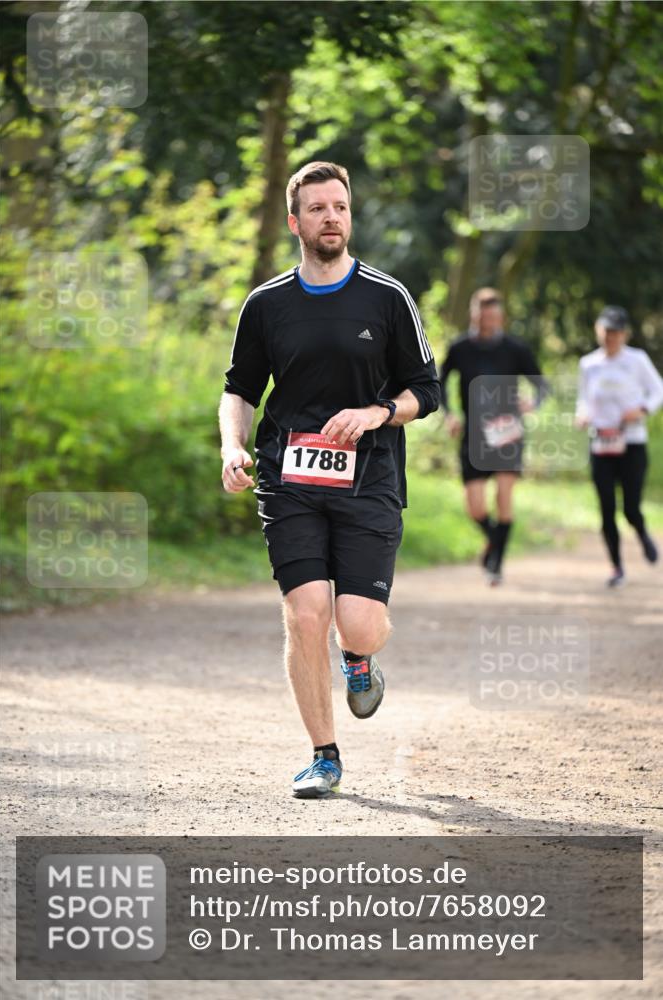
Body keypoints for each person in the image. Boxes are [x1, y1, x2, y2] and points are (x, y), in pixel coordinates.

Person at [219, 161, 440, 798]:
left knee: (359, 623)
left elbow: (427, 391)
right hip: (288, 477)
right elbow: (239, 389)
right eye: (317, 208)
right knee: (306, 612)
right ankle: (323, 755)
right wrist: (234, 445)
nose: (331, 217)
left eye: (339, 206)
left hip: (369, 477)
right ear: (296, 222)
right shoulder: (266, 305)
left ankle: (361, 657)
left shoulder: (387, 297)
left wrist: (377, 413)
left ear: (350, 214)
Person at [438, 288, 547, 585]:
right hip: (473, 432)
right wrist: (449, 413)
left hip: (507, 430)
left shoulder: (516, 348)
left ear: (501, 317)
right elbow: (440, 381)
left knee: (503, 497)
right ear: (474, 314)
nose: (488, 322)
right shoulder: (460, 347)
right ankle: (495, 542)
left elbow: (541, 385)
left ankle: (496, 563)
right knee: (475, 505)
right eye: (483, 316)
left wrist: (532, 402)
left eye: (493, 316)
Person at [575, 305, 663, 587]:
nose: (609, 337)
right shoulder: (588, 364)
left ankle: (643, 534)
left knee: (630, 508)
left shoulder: (637, 360)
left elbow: (658, 390)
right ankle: (616, 566)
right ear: (598, 331)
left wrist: (642, 410)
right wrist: (582, 415)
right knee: (606, 508)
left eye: (615, 332)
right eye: (605, 331)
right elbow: (583, 399)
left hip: (631, 443)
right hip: (601, 442)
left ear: (624, 334)